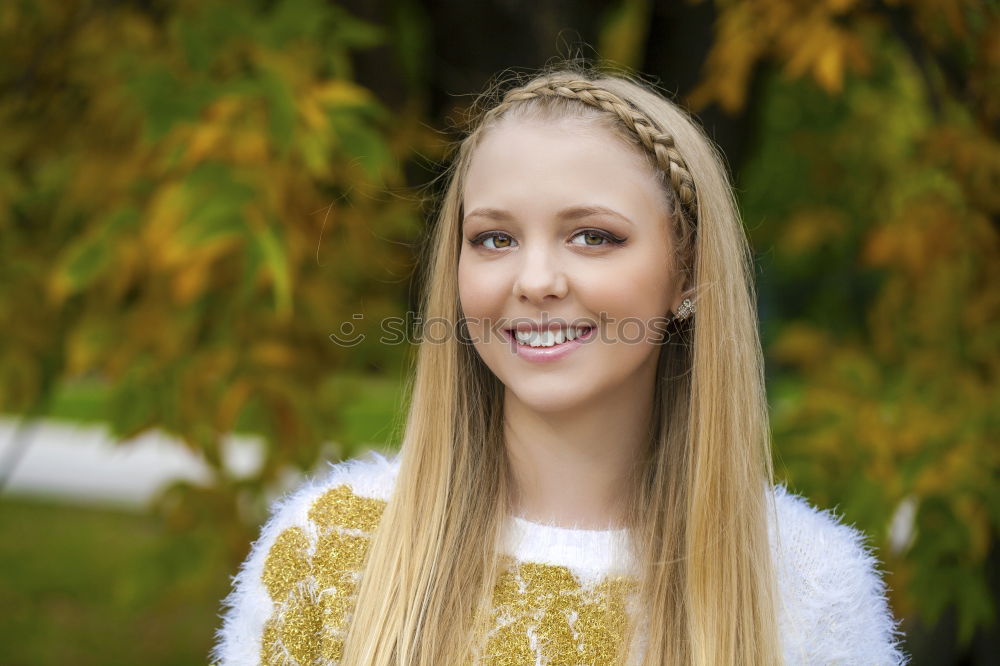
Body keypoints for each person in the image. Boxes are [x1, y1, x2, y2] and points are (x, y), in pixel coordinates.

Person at [211, 67, 906, 665]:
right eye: (494, 238)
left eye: (592, 236)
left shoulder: (806, 584)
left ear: (688, 270)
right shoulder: (330, 548)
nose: (535, 278)